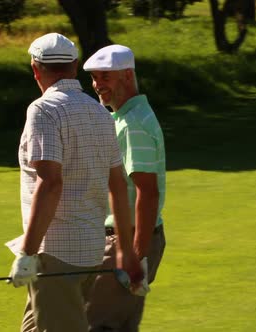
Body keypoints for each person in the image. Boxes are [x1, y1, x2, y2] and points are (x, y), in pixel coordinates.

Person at [5, 33, 143, 332]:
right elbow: (118, 185)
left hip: (55, 255)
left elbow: (51, 183)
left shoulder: (43, 110)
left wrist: (27, 254)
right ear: (75, 65)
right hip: (88, 251)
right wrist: (126, 250)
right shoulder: (100, 112)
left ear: (35, 68)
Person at [83, 44, 167, 332]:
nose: (97, 86)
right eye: (94, 78)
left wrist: (136, 254)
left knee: (98, 325)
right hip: (130, 239)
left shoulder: (132, 123)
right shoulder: (127, 117)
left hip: (127, 240)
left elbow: (148, 191)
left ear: (127, 75)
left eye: (105, 77)